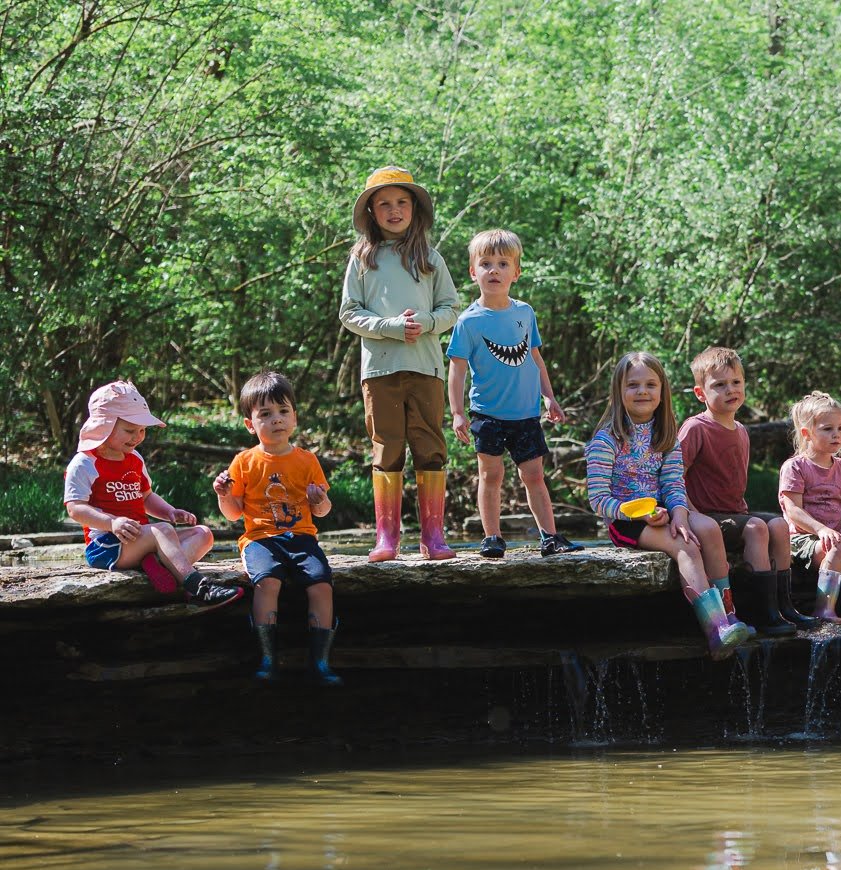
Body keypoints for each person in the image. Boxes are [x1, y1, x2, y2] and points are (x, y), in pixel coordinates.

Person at [584, 351, 751, 659]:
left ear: (662, 391)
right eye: (633, 385)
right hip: (626, 520)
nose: (642, 391)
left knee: (709, 529)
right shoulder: (606, 440)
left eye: (650, 384)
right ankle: (715, 630)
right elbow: (597, 499)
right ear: (619, 392)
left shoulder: (667, 436)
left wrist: (680, 515)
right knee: (685, 547)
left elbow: (674, 484)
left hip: (662, 511)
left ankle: (730, 614)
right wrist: (640, 513)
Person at [339, 166, 461, 562]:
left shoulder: (431, 258)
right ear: (372, 212)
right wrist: (389, 327)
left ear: (415, 209)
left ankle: (433, 536)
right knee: (386, 447)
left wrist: (427, 322)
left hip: (426, 368)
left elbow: (451, 309)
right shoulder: (362, 257)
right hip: (380, 370)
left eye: (402, 203)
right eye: (384, 204)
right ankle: (386, 539)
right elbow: (349, 313)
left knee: (430, 446)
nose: (394, 210)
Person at [448, 228, 581, 559]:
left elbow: (536, 359)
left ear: (516, 272)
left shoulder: (525, 313)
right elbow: (458, 369)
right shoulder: (468, 321)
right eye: (486, 263)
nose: (494, 270)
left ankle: (550, 537)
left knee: (534, 475)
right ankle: (492, 538)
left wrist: (549, 397)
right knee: (490, 475)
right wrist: (457, 412)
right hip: (488, 414)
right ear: (473, 271)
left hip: (525, 414)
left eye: (503, 264)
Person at [63, 380, 242, 608]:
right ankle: (198, 588)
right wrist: (112, 522)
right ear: (103, 425)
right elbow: (75, 508)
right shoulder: (85, 463)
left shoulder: (134, 459)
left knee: (204, 534)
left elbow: (146, 496)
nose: (137, 437)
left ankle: (157, 566)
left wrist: (170, 511)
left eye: (142, 430)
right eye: (129, 430)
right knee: (162, 531)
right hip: (108, 546)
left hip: (143, 539)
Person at [213, 371, 341, 684]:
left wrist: (319, 499)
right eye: (266, 414)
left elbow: (323, 511)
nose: (276, 420)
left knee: (322, 586)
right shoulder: (244, 461)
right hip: (260, 540)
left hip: (301, 538)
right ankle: (268, 658)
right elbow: (232, 515)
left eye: (283, 412)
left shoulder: (307, 460)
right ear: (250, 424)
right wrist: (224, 495)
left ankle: (320, 663)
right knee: (267, 583)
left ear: (294, 417)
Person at [676, 346, 811, 634]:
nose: (730, 390)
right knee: (756, 529)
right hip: (706, 516)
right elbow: (674, 476)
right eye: (720, 385)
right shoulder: (695, 428)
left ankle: (784, 607)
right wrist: (691, 513)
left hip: (734, 513)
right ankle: (760, 613)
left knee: (778, 524)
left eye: (736, 382)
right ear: (701, 394)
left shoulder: (740, 430)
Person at [778, 391, 841, 623]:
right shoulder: (795, 467)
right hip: (804, 538)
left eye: (840, 428)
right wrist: (820, 530)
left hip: (837, 534)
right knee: (839, 546)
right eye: (827, 429)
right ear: (807, 433)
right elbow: (793, 511)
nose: (836, 434)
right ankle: (824, 608)